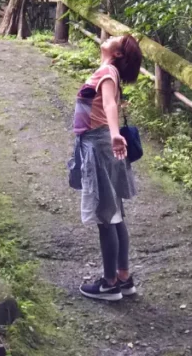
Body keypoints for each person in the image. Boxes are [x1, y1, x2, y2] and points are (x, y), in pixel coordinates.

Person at [69, 32, 143, 301]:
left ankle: (109, 284)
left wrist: (114, 135)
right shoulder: (108, 71)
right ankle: (123, 278)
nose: (110, 36)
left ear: (118, 53)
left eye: (116, 38)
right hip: (100, 143)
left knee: (105, 216)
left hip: (100, 144)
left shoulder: (108, 72)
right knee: (116, 214)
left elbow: (110, 104)